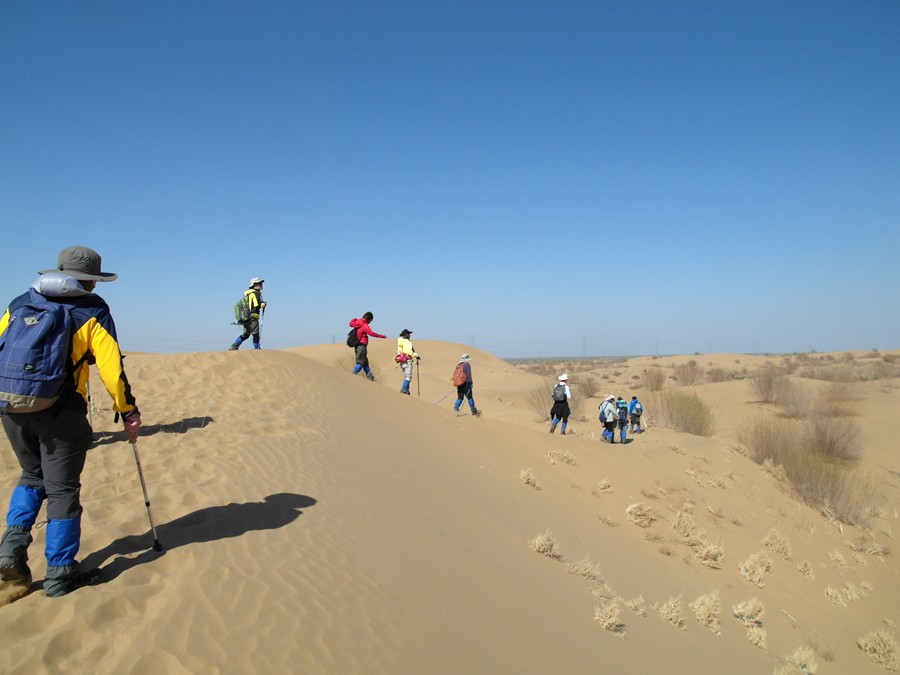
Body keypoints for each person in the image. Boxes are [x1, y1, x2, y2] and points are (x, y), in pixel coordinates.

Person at [0, 246, 142, 597]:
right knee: (63, 490)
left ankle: (9, 554)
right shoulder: (93, 310)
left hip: (12, 407)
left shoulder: (21, 302)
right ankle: (60, 574)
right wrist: (128, 411)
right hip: (62, 414)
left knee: (31, 477)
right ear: (92, 280)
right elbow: (112, 370)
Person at [229, 278, 266, 350]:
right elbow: (256, 305)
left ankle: (234, 346)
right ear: (254, 285)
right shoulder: (256, 293)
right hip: (253, 317)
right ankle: (257, 349)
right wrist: (263, 304)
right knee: (256, 334)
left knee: (246, 334)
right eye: (259, 283)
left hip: (246, 317)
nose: (261, 285)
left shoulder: (248, 294)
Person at [349, 312, 385, 380]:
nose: (370, 322)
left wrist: (354, 319)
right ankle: (353, 374)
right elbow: (371, 333)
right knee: (360, 361)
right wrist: (381, 336)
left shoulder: (357, 322)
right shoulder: (364, 324)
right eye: (371, 320)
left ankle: (369, 375)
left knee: (365, 361)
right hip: (362, 345)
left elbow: (351, 323)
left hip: (357, 345)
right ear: (369, 319)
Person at [395, 329, 419, 395]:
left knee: (406, 376)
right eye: (409, 334)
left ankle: (407, 391)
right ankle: (404, 389)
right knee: (408, 377)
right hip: (407, 361)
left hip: (401, 361)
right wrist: (416, 355)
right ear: (406, 335)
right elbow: (409, 352)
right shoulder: (407, 342)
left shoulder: (400, 342)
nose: (409, 335)